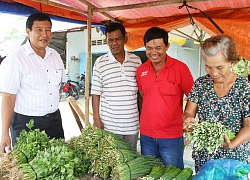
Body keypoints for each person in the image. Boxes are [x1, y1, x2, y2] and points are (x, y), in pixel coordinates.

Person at [0, 13, 67, 154]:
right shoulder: (16, 58)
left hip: (54, 119)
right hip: (26, 123)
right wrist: (4, 132)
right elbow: (8, 97)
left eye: (48, 29)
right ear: (28, 31)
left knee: (58, 161)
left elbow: (59, 86)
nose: (44, 34)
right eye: (39, 29)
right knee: (29, 167)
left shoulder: (55, 55)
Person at [182, 34, 250, 172]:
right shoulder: (201, 84)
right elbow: (189, 112)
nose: (213, 73)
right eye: (208, 67)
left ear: (233, 62)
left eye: (219, 67)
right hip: (205, 156)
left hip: (234, 159)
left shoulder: (244, 87)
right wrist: (188, 119)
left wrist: (232, 144)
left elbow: (248, 126)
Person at [136, 27, 194, 169]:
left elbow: (193, 96)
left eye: (158, 48)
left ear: (167, 46)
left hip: (172, 137)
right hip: (146, 136)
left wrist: (188, 116)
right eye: (149, 48)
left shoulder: (181, 68)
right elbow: (143, 97)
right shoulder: (141, 70)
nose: (153, 52)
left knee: (173, 175)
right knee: (150, 175)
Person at [91, 22, 142, 151]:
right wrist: (96, 119)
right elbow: (95, 93)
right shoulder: (100, 62)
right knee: (113, 162)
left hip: (132, 125)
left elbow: (139, 93)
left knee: (130, 162)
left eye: (118, 39)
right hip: (110, 126)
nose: (114, 43)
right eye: (110, 40)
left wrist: (142, 117)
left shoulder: (136, 61)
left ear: (125, 39)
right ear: (106, 41)